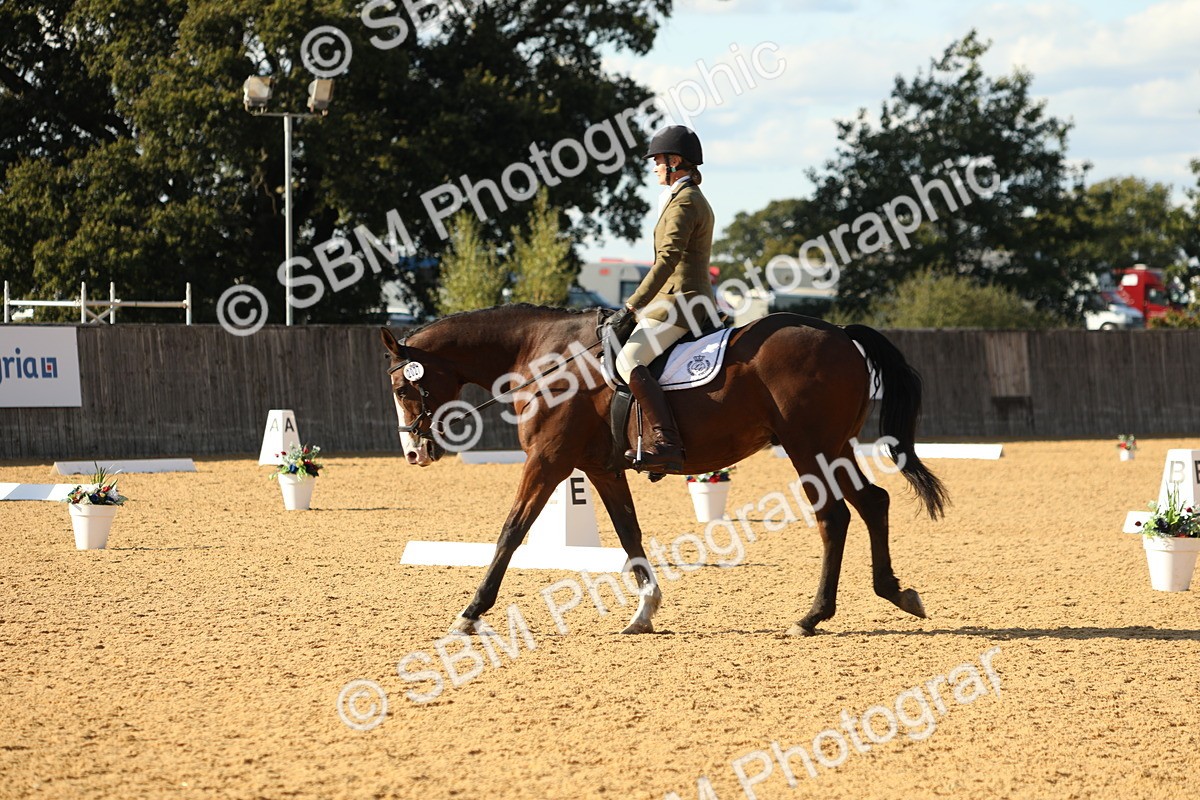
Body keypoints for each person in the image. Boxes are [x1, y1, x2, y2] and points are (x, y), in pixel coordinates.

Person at [609, 125, 718, 471]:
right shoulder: (683, 199)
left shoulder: (685, 203)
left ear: (674, 162)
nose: (654, 167)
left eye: (658, 161)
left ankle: (667, 442)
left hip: (679, 302)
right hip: (683, 300)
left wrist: (632, 304)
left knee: (627, 361)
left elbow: (667, 260)